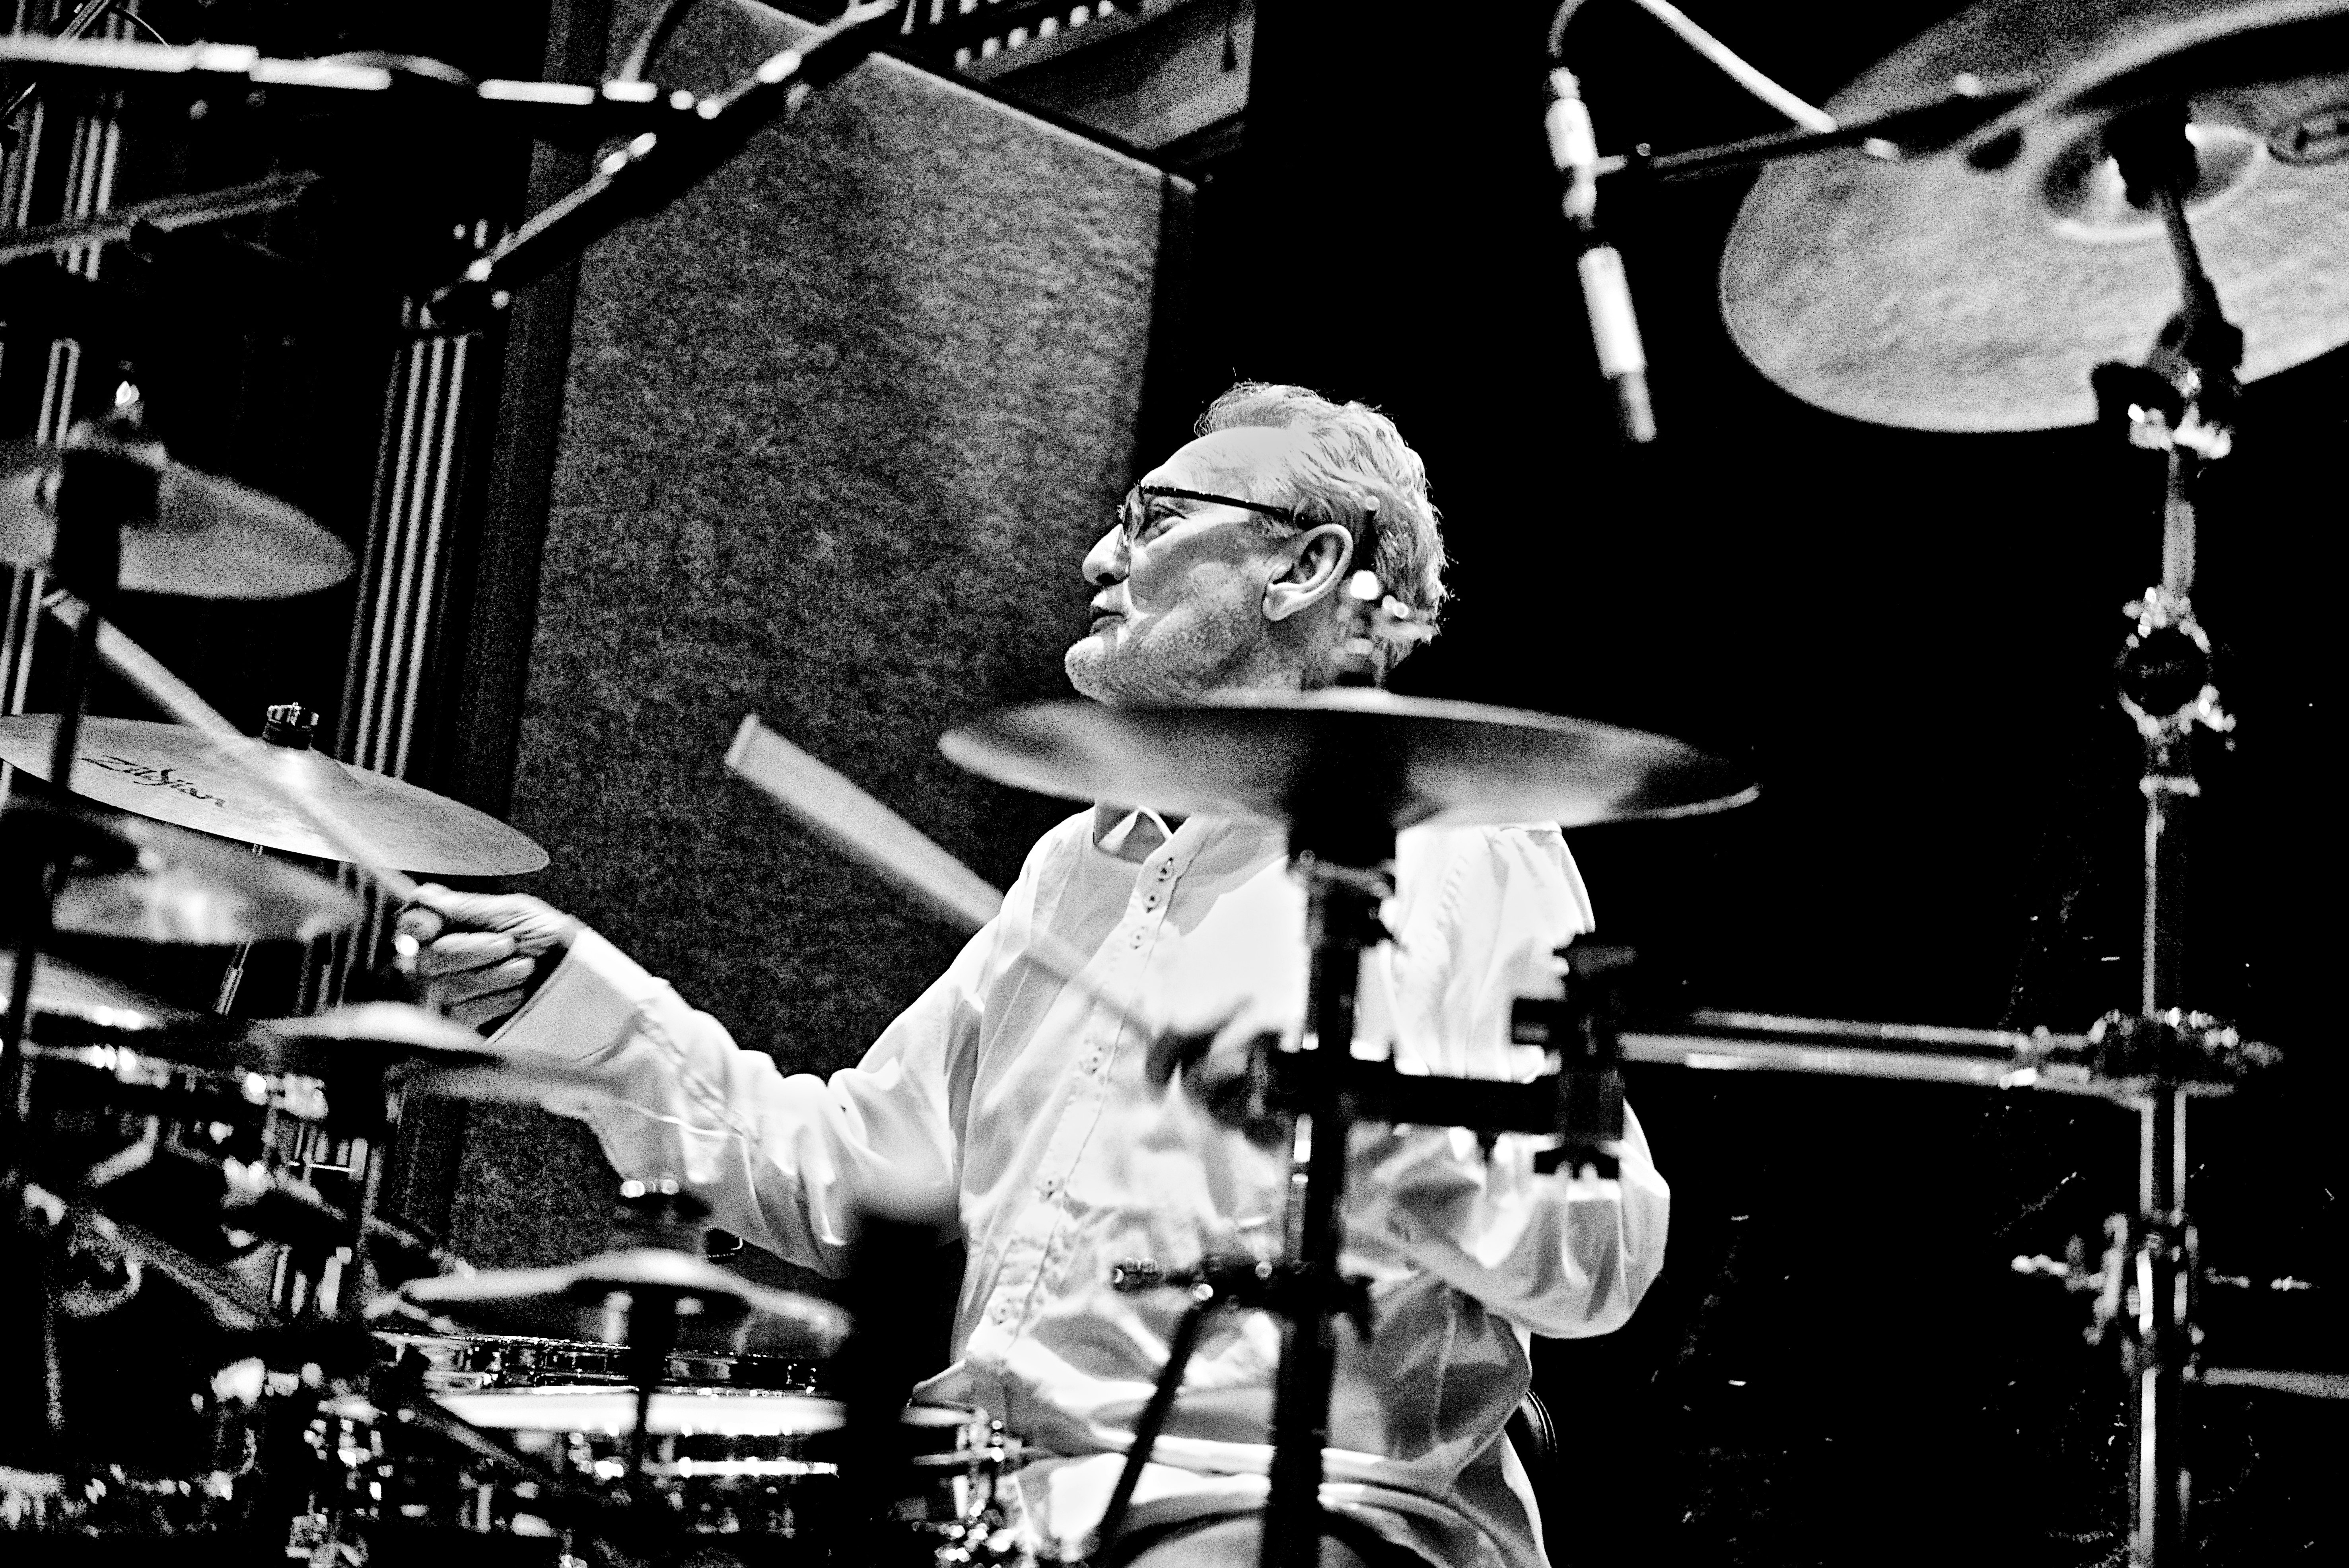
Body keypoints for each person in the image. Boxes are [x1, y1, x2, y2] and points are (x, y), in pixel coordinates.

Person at [401, 383, 1670, 1568]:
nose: (1098, 559)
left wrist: (1350, 1127)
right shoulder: (1079, 863)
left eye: (1153, 520)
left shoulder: (1460, 849)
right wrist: (578, 1011)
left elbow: (1601, 1252)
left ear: (1304, 566)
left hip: (1292, 1511)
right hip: (1004, 1501)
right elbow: (850, 1172)